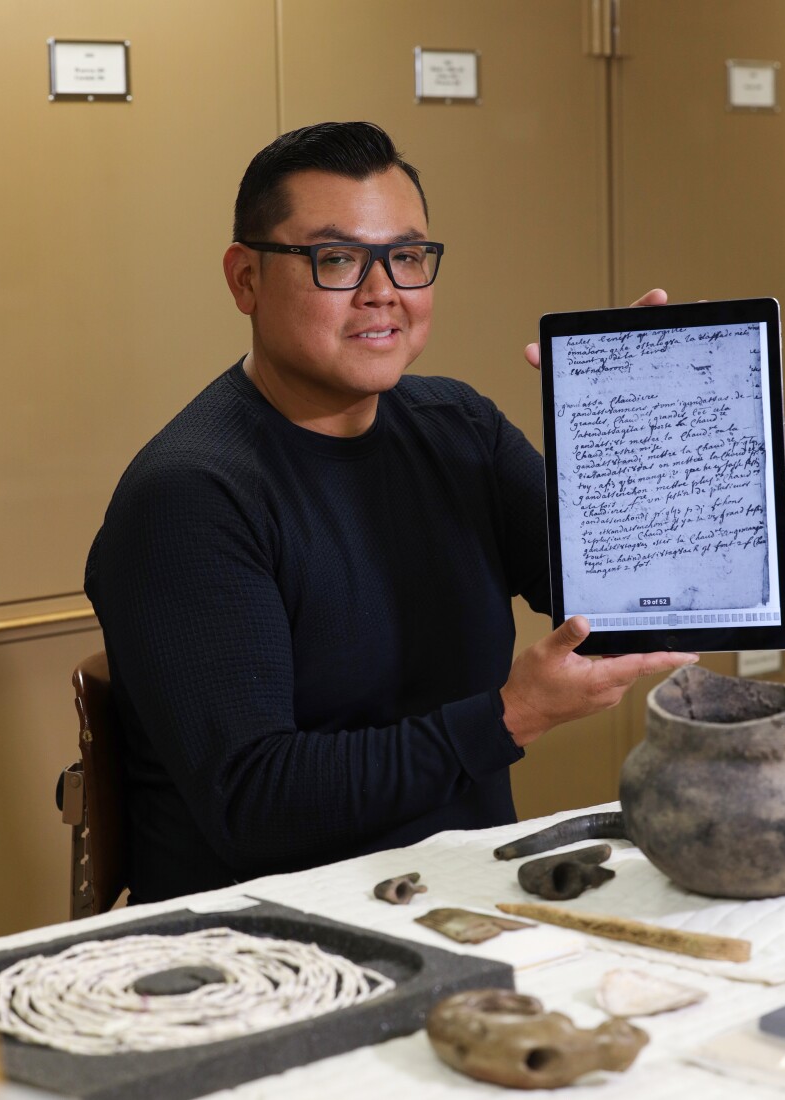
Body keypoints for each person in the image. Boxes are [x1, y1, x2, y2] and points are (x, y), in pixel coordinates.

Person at [85, 121, 697, 904]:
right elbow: (253, 804)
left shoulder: (459, 429)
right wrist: (507, 717)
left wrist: (634, 429)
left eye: (406, 257)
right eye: (336, 259)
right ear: (245, 280)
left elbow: (639, 610)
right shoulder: (190, 496)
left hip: (465, 895)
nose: (384, 292)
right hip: (275, 936)